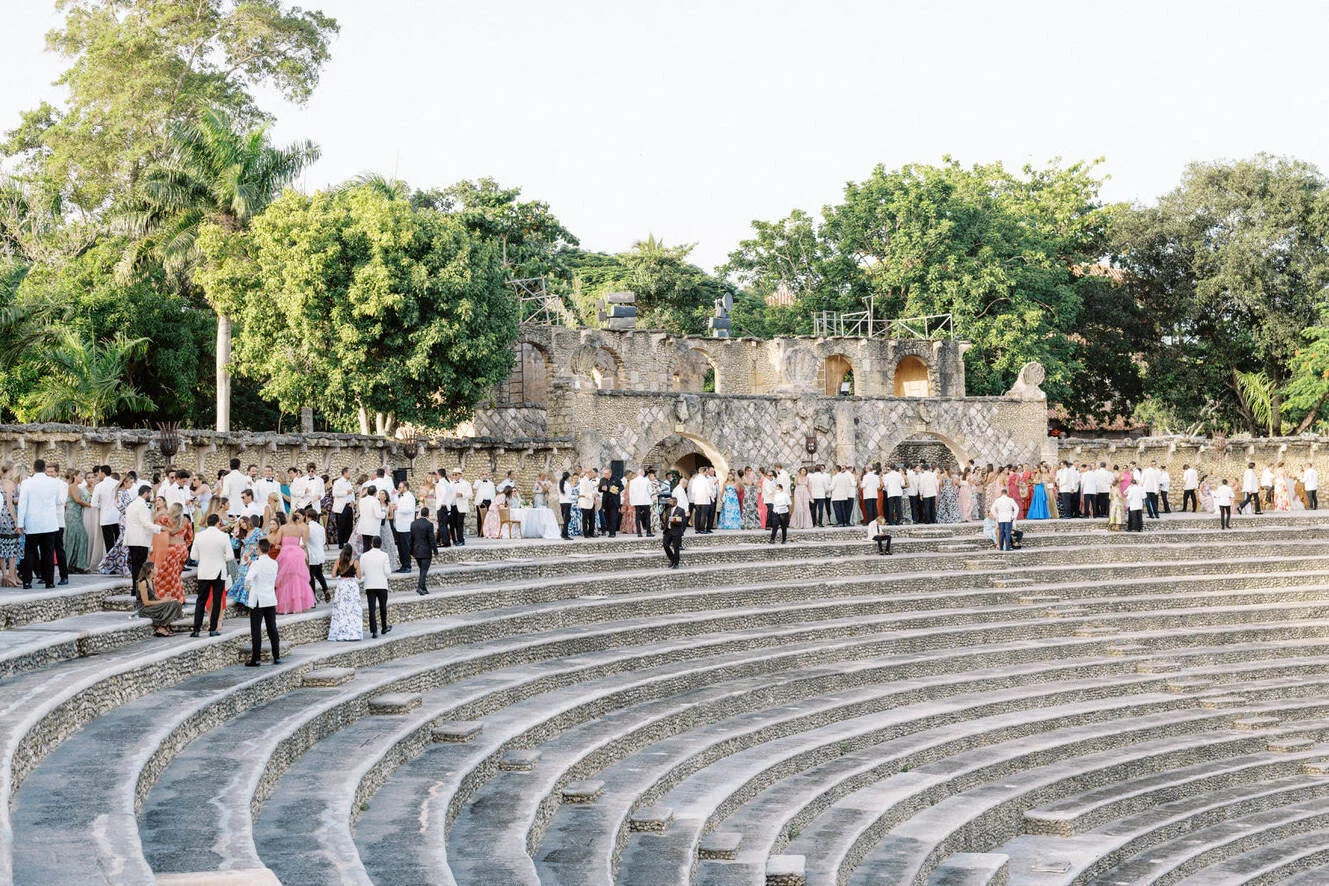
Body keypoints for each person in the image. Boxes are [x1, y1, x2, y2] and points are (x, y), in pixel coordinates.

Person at [190, 513, 234, 636]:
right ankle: (213, 628)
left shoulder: (199, 536)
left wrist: (204, 558)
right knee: (216, 599)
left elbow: (193, 556)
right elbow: (230, 556)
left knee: (201, 600)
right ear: (218, 522)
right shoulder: (224, 536)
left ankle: (196, 629)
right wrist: (220, 557)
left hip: (203, 570)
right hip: (218, 570)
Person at [242, 539, 280, 666]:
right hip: (270, 597)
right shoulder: (274, 563)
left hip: (258, 599)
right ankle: (276, 655)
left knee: (256, 629)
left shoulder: (256, 564)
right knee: (272, 628)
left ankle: (256, 657)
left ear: (259, 549)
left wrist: (248, 588)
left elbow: (248, 579)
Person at [120, 483, 161, 587]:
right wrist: (160, 528)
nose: (150, 497)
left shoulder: (132, 504)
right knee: (141, 566)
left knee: (135, 565)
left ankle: (135, 588)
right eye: (150, 494)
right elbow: (145, 523)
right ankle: (139, 589)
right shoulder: (142, 505)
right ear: (146, 493)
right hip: (140, 539)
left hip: (132, 539)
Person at [152, 503, 193, 604]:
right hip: (182, 549)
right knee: (175, 575)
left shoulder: (166, 519)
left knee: (163, 575)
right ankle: (177, 596)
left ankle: (165, 596)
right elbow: (190, 537)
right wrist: (184, 546)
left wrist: (161, 511)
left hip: (171, 549)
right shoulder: (186, 521)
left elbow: (154, 523)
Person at [275, 509, 314, 614]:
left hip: (286, 553)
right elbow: (303, 543)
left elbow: (277, 541)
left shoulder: (283, 528)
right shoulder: (300, 529)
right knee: (298, 579)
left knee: (285, 579)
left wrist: (280, 545)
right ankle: (298, 605)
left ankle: (286, 607)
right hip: (297, 553)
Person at [130, 561, 181, 637]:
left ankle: (164, 625)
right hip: (145, 608)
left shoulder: (151, 581)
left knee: (176, 603)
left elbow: (156, 597)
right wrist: (163, 601)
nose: (157, 569)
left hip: (152, 605)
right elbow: (146, 602)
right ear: (151, 570)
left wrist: (166, 599)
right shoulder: (143, 583)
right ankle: (161, 626)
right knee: (173, 605)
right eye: (156, 567)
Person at [327, 545, 363, 641]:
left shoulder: (338, 561)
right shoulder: (355, 562)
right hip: (352, 587)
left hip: (342, 586)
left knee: (341, 609)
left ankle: (341, 632)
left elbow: (333, 575)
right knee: (352, 610)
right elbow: (359, 576)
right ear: (351, 552)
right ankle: (353, 633)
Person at [360, 536, 392, 638]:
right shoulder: (384, 555)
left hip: (369, 584)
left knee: (371, 608)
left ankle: (374, 631)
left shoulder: (364, 556)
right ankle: (384, 626)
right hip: (382, 584)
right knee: (383, 606)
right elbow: (387, 572)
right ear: (381, 545)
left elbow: (361, 571)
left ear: (371, 544)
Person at [229, 517, 263, 607]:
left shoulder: (257, 531)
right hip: (244, 558)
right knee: (242, 577)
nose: (243, 525)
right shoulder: (242, 533)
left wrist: (252, 551)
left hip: (254, 558)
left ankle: (251, 603)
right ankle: (243, 603)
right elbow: (234, 546)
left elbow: (262, 544)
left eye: (244, 522)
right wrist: (235, 534)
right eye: (240, 524)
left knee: (250, 578)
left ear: (248, 521)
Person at [63, 469, 90, 573]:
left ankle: (77, 564)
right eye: (80, 476)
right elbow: (77, 500)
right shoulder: (72, 487)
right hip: (71, 515)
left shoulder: (79, 488)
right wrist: (90, 505)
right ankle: (70, 564)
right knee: (73, 538)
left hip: (78, 515)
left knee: (81, 537)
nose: (82, 478)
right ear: (75, 476)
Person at [410, 506, 435, 595]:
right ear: (428, 515)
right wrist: (435, 551)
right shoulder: (429, 524)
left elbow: (411, 539)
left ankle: (424, 587)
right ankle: (420, 587)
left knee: (422, 570)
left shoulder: (413, 524)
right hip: (426, 551)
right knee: (424, 570)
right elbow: (432, 539)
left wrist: (410, 551)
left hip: (416, 551)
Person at [392, 481, 416, 571]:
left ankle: (407, 566)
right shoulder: (398, 496)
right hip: (398, 525)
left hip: (406, 526)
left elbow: (409, 509)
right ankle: (403, 565)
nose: (399, 489)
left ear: (405, 487)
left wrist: (397, 508)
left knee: (405, 547)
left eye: (400, 487)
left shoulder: (410, 497)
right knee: (400, 547)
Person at [306, 508, 329, 602]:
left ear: (308, 517)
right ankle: (326, 590)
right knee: (319, 574)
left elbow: (305, 540)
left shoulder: (308, 528)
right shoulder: (321, 528)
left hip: (312, 555)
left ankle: (312, 599)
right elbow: (323, 541)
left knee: (311, 577)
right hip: (320, 554)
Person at [356, 485, 383, 552]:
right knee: (372, 546)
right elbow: (378, 515)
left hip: (363, 526)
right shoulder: (375, 501)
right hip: (372, 527)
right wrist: (384, 513)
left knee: (365, 545)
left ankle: (365, 559)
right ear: (375, 493)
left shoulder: (362, 500)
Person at [629, 468, 654, 536]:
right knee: (647, 517)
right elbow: (650, 491)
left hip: (637, 501)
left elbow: (631, 492)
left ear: (637, 473)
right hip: (645, 500)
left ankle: (639, 533)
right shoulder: (646, 480)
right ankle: (648, 532)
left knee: (638, 517)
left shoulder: (632, 481)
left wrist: (632, 502)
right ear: (642, 473)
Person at [662, 496, 686, 569]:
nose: (669, 503)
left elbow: (681, 520)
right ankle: (672, 559)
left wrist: (672, 519)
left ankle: (676, 563)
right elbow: (665, 520)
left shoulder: (681, 510)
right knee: (665, 545)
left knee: (676, 548)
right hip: (668, 531)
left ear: (675, 502)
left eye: (671, 502)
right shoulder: (668, 509)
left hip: (676, 531)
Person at [450, 470, 471, 546]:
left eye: (456, 474)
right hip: (453, 506)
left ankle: (461, 540)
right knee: (454, 524)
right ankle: (456, 539)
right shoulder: (451, 483)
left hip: (461, 507)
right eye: (453, 474)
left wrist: (462, 494)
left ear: (460, 475)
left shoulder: (466, 483)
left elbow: (470, 495)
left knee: (459, 523)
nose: (454, 476)